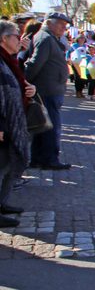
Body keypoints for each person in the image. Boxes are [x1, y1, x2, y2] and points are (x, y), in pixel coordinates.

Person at [23, 13, 73, 170]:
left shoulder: (49, 38)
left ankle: (39, 158)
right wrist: (24, 80)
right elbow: (35, 64)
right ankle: (49, 159)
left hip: (49, 88)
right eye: (61, 25)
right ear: (50, 23)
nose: (64, 29)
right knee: (50, 126)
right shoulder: (45, 38)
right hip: (47, 90)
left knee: (43, 126)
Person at [0, 20, 34, 227]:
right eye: (15, 35)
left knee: (9, 164)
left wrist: (30, 90)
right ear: (4, 38)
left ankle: (2, 202)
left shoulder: (9, 60)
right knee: (2, 165)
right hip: (5, 123)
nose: (19, 38)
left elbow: (19, 82)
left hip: (14, 120)